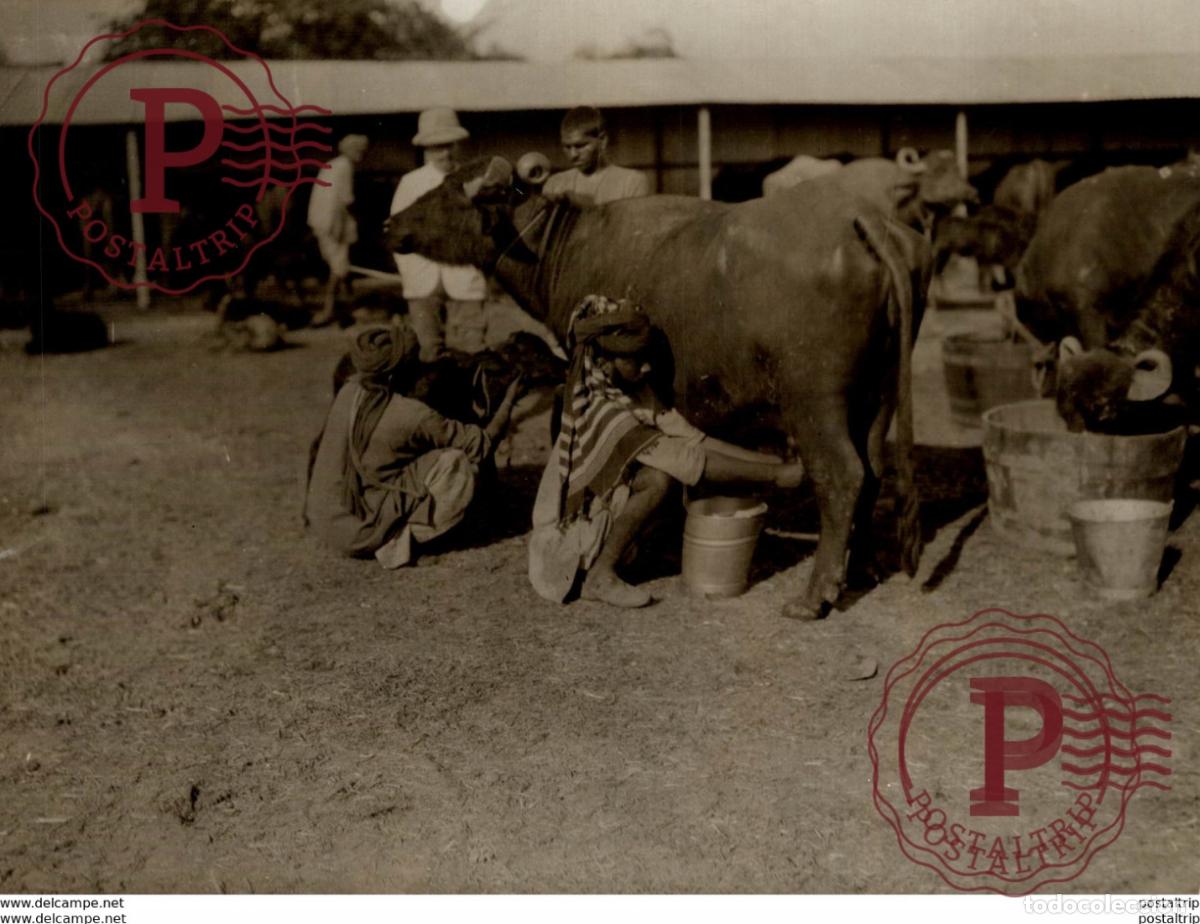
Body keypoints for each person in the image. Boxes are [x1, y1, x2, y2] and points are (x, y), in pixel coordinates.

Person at [528, 296, 805, 608]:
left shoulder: (632, 393)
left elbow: (695, 440)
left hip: (600, 515)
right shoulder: (602, 410)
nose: (646, 367)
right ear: (604, 362)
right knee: (659, 478)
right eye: (635, 359)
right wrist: (776, 475)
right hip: (564, 548)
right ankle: (600, 575)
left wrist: (774, 463)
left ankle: (630, 554)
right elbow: (690, 461)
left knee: (667, 473)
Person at [304, 319, 521, 569]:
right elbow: (483, 444)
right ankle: (402, 541)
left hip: (326, 523)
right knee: (455, 461)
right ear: (397, 372)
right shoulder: (412, 414)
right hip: (362, 536)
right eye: (414, 364)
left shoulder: (349, 392)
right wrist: (510, 398)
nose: (419, 370)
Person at [391, 108, 489, 360]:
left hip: (465, 277)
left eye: (449, 145)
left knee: (473, 347)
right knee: (428, 350)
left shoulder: (473, 178)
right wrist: (410, 271)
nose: (444, 153)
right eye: (436, 147)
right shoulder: (411, 183)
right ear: (425, 149)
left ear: (458, 145)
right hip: (422, 279)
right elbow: (397, 234)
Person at [307, 133, 369, 327]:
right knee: (339, 268)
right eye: (359, 151)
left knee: (340, 265)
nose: (362, 155)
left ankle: (348, 305)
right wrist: (361, 219)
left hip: (322, 221)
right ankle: (328, 309)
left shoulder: (333, 165)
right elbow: (347, 199)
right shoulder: (345, 167)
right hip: (332, 223)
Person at [543, 106, 651, 206]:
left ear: (602, 140)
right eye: (567, 147)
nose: (573, 155)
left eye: (580, 146)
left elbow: (635, 221)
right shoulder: (555, 184)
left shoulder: (632, 182)